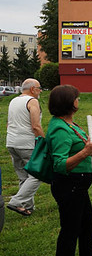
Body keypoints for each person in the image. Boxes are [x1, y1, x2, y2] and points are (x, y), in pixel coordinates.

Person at [46, 85, 92, 256]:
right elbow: (60, 165)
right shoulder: (59, 129)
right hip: (69, 185)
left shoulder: (69, 124)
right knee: (70, 230)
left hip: (79, 186)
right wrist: (85, 152)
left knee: (87, 224)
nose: (78, 100)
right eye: (76, 98)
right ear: (68, 102)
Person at [5, 78, 43, 217]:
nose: (40, 92)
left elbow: (9, 124)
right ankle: (16, 201)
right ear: (33, 89)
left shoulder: (13, 101)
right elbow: (35, 125)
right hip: (26, 143)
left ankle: (28, 207)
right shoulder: (32, 101)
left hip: (11, 142)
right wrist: (43, 142)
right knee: (36, 175)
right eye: (39, 88)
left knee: (23, 176)